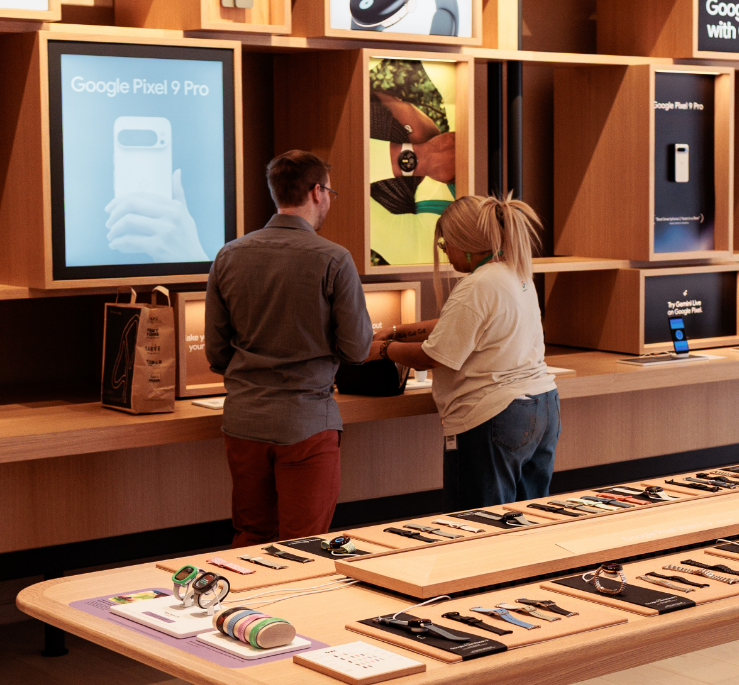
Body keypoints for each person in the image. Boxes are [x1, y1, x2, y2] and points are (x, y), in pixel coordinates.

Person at [205, 150, 372, 546]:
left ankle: (245, 610)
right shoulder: (334, 258)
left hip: (244, 421)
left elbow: (216, 352)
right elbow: (356, 349)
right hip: (306, 422)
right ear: (317, 192)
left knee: (251, 535)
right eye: (330, 191)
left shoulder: (228, 255)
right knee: (305, 543)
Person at [371, 193, 560, 510]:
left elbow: (434, 356)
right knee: (526, 522)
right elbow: (458, 324)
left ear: (466, 243)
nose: (445, 253)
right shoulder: (514, 272)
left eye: (445, 245)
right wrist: (398, 330)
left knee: (477, 526)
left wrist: (383, 350)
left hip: (494, 414)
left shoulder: (476, 285)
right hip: (541, 406)